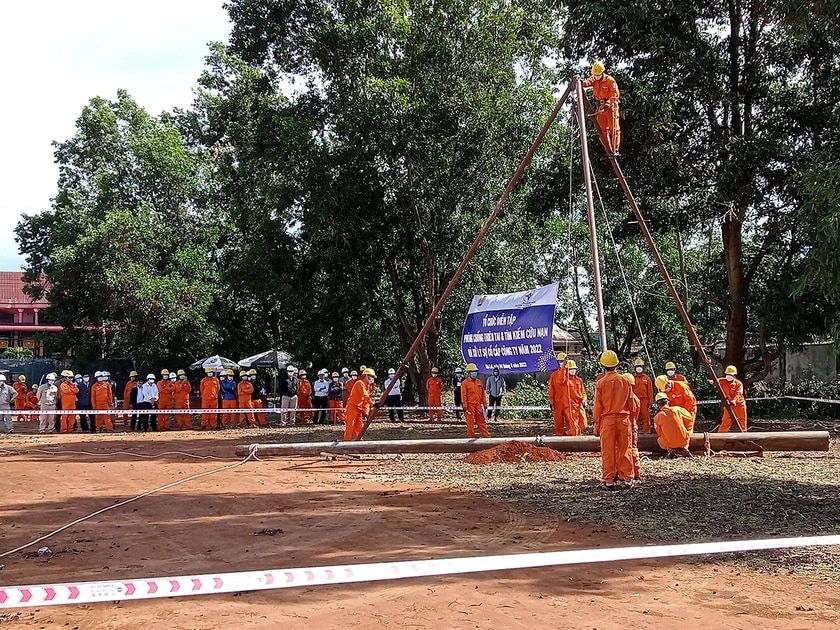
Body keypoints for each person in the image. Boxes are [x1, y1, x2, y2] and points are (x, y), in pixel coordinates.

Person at [592, 350, 634, 490]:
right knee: (625, 449)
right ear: (617, 364)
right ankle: (627, 479)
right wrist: (631, 419)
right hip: (623, 420)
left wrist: (596, 424)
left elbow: (598, 406)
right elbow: (631, 404)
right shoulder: (626, 381)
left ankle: (609, 481)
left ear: (603, 365)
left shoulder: (601, 383)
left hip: (607, 421)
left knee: (608, 451)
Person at [581, 61, 621, 157]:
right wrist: (581, 82)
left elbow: (615, 95)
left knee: (614, 129)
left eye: (598, 75)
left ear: (602, 73)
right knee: (602, 130)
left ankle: (615, 149)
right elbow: (587, 83)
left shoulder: (610, 81)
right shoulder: (594, 78)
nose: (596, 77)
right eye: (595, 75)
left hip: (611, 107)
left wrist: (608, 103)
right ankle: (608, 149)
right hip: (601, 107)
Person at [653, 392, 693, 457]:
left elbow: (659, 433)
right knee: (686, 434)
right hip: (684, 441)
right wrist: (687, 429)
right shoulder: (678, 409)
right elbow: (690, 418)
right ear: (668, 401)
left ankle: (669, 449)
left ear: (658, 404)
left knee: (659, 440)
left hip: (669, 443)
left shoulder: (657, 417)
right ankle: (685, 447)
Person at [344, 368, 376, 441]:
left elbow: (365, 401)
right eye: (371, 376)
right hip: (352, 407)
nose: (372, 378)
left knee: (359, 427)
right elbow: (365, 396)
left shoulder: (367, 386)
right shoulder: (359, 383)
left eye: (373, 377)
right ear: (365, 376)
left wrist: (366, 413)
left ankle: (359, 442)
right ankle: (346, 443)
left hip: (359, 408)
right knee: (350, 426)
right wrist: (372, 403)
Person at [460, 363, 490, 438]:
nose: (475, 373)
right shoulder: (465, 383)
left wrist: (485, 403)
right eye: (473, 371)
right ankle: (471, 437)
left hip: (478, 405)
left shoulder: (479, 382)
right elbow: (463, 395)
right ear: (469, 372)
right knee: (470, 422)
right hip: (470, 405)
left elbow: (483, 394)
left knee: (481, 421)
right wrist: (465, 405)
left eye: (475, 371)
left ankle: (486, 436)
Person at [717, 365, 747, 433]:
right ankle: (720, 437)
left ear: (734, 375)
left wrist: (734, 401)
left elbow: (739, 393)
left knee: (742, 421)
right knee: (725, 421)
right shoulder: (723, 381)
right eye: (727, 374)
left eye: (730, 374)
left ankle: (744, 437)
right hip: (729, 406)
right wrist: (712, 381)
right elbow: (716, 381)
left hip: (739, 405)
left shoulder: (738, 384)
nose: (728, 376)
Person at [623, 373, 642, 481]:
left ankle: (628, 473)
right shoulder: (635, 398)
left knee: (626, 450)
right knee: (633, 449)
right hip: (632, 425)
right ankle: (636, 472)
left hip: (627, 425)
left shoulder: (628, 398)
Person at [548, 352, 569, 436]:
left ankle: (572, 437)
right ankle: (559, 437)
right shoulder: (554, 375)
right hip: (558, 401)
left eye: (562, 361)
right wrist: (551, 400)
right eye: (560, 361)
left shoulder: (569, 373)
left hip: (568, 401)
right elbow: (551, 389)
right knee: (558, 421)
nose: (561, 363)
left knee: (570, 420)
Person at [631, 358, 654, 434]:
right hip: (634, 400)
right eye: (637, 366)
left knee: (646, 416)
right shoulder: (632, 378)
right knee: (634, 416)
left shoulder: (647, 378)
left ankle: (646, 431)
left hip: (644, 400)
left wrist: (650, 402)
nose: (639, 368)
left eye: (640, 366)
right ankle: (633, 431)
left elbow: (650, 390)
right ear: (635, 368)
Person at [566, 360, 588, 435]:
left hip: (579, 405)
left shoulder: (579, 380)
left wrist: (584, 400)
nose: (573, 370)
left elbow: (583, 392)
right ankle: (572, 438)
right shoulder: (565, 381)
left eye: (574, 369)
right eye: (571, 369)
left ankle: (568, 433)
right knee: (574, 426)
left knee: (584, 424)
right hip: (571, 406)